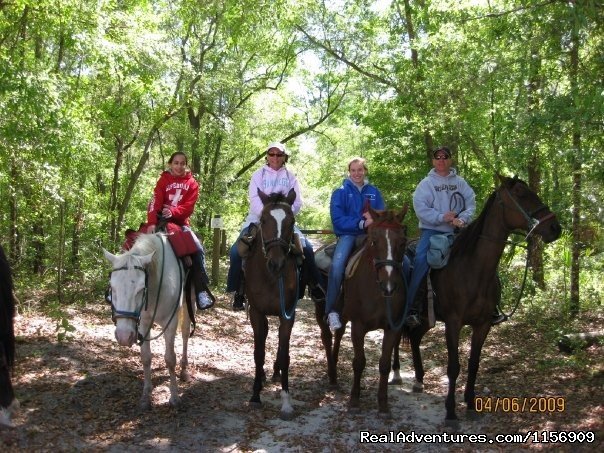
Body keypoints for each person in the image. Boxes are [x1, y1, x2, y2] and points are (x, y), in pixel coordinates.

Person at [226, 142, 325, 311]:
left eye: (279, 155)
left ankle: (313, 286)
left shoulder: (291, 177)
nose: (275, 158)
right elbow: (255, 199)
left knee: (307, 249)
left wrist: (285, 213)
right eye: (272, 154)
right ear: (267, 156)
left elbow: (297, 202)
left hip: (284, 221)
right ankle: (238, 290)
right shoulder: (258, 175)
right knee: (237, 251)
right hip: (259, 220)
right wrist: (267, 215)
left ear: (284, 157)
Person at [404, 146, 481, 328]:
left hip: (458, 231)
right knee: (421, 259)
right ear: (433, 161)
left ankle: (490, 304)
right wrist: (441, 218)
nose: (441, 160)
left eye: (445, 157)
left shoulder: (460, 182)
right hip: (432, 231)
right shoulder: (426, 184)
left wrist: (463, 219)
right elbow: (421, 208)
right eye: (437, 157)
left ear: (450, 160)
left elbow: (470, 203)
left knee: (482, 255)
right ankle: (412, 308)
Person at [146, 151, 213, 310]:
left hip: (181, 223)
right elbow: (155, 200)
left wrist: (174, 212)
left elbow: (189, 207)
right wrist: (151, 222)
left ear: (186, 165)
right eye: (176, 163)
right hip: (160, 221)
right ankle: (120, 287)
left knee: (197, 248)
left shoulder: (192, 183)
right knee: (135, 242)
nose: (179, 166)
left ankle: (201, 290)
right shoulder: (163, 180)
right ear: (170, 164)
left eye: (182, 163)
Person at [325, 157, 385, 331]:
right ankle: (332, 311)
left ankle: (398, 309)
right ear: (349, 172)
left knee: (400, 262)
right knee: (337, 266)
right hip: (348, 235)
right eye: (353, 170)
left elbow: (382, 212)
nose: (357, 173)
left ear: (365, 170)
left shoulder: (374, 191)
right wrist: (360, 223)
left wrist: (375, 217)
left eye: (360, 170)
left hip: (372, 235)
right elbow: (337, 219)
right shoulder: (341, 191)